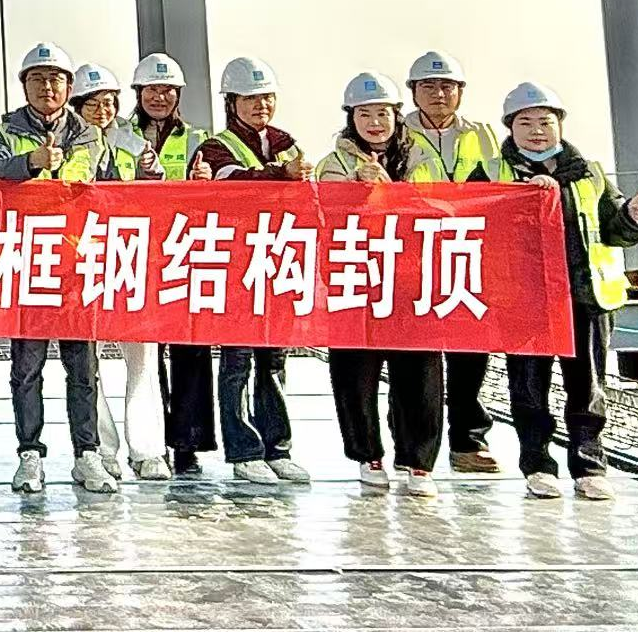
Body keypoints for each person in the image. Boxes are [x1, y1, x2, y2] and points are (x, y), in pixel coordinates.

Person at [472, 82, 638, 501]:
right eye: (526, 122)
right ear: (510, 127)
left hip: (584, 297)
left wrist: (634, 217)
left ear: (559, 125)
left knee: (587, 386)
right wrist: (521, 198)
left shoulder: (590, 172)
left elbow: (614, 229)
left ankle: (589, 466)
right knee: (528, 387)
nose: (537, 130)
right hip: (525, 301)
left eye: (545, 121)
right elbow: (472, 226)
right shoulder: (492, 172)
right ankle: (537, 464)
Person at [0, 43, 118, 496]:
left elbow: (114, 190)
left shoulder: (90, 135)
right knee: (27, 367)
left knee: (83, 368)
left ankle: (87, 453)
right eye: (37, 79)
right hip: (28, 261)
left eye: (55, 79)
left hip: (78, 265)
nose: (46, 87)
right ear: (24, 86)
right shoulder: (4, 132)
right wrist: (30, 163)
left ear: (69, 86)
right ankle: (30, 454)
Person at [315, 72, 445, 497]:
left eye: (383, 114)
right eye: (365, 114)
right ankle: (367, 454)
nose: (375, 123)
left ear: (397, 116)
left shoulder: (422, 158)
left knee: (420, 373)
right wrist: (357, 190)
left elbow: (440, 207)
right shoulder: (334, 163)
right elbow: (327, 212)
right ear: (351, 118)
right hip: (357, 276)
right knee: (355, 372)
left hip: (411, 277)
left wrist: (392, 192)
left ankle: (418, 461)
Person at [195, 55, 312, 486]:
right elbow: (236, 183)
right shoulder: (216, 147)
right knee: (237, 361)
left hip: (277, 259)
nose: (261, 106)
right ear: (232, 103)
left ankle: (278, 448)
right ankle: (244, 451)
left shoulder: (286, 142)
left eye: (266, 98)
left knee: (274, 360)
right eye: (250, 99)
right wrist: (282, 174)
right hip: (237, 267)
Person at [402, 49, 507, 475]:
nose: (439, 94)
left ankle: (468, 441)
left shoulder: (483, 135)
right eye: (428, 86)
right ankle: (413, 449)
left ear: (461, 91)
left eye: (447, 86)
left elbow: (504, 186)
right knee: (418, 359)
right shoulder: (397, 134)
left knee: (471, 354)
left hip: (469, 253)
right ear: (413, 92)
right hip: (416, 255)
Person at [73, 62, 173, 483]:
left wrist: (151, 171)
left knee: (143, 359)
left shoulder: (132, 141)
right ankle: (102, 448)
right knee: (87, 362)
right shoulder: (69, 141)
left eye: (109, 102)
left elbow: (155, 195)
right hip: (83, 260)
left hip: (132, 257)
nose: (103, 111)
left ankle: (147, 450)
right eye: (93, 103)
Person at [130, 52, 217, 478]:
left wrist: (204, 185)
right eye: (152, 89)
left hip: (183, 252)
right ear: (138, 93)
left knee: (190, 351)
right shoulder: (122, 135)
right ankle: (151, 443)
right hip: (140, 252)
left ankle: (187, 443)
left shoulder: (199, 137)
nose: (160, 97)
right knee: (147, 357)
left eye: (168, 90)